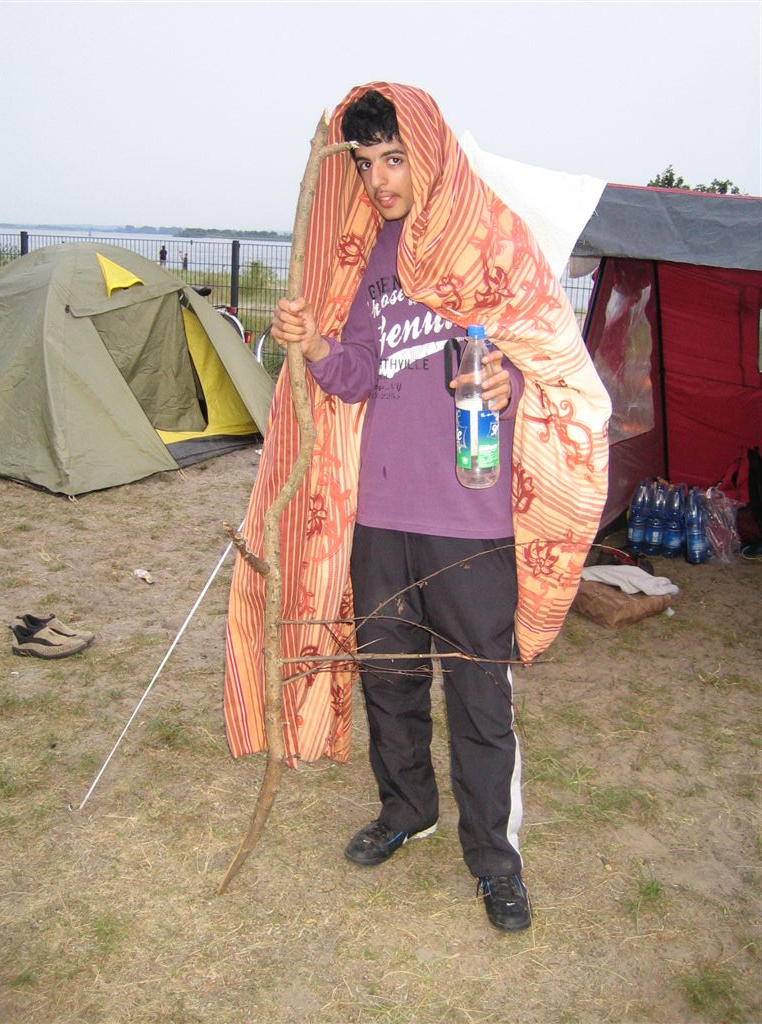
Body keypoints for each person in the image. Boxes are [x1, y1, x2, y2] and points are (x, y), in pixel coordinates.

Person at [223, 83, 611, 933]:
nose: (380, 180)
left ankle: (496, 861)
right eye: (366, 164)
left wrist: (509, 385)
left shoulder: (490, 240)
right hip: (381, 512)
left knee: (479, 697)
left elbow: (545, 361)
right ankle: (406, 809)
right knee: (390, 679)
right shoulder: (371, 256)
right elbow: (359, 372)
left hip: (471, 517)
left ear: (428, 156)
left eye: (394, 159)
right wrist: (315, 344)